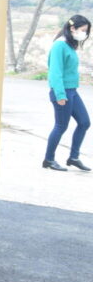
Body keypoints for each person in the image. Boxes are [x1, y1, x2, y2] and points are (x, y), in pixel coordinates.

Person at [43, 14, 90, 171]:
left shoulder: (69, 45)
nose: (84, 34)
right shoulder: (59, 45)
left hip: (72, 91)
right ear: (72, 28)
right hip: (62, 92)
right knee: (61, 126)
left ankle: (73, 158)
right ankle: (49, 160)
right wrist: (60, 95)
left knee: (84, 122)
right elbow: (55, 72)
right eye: (83, 30)